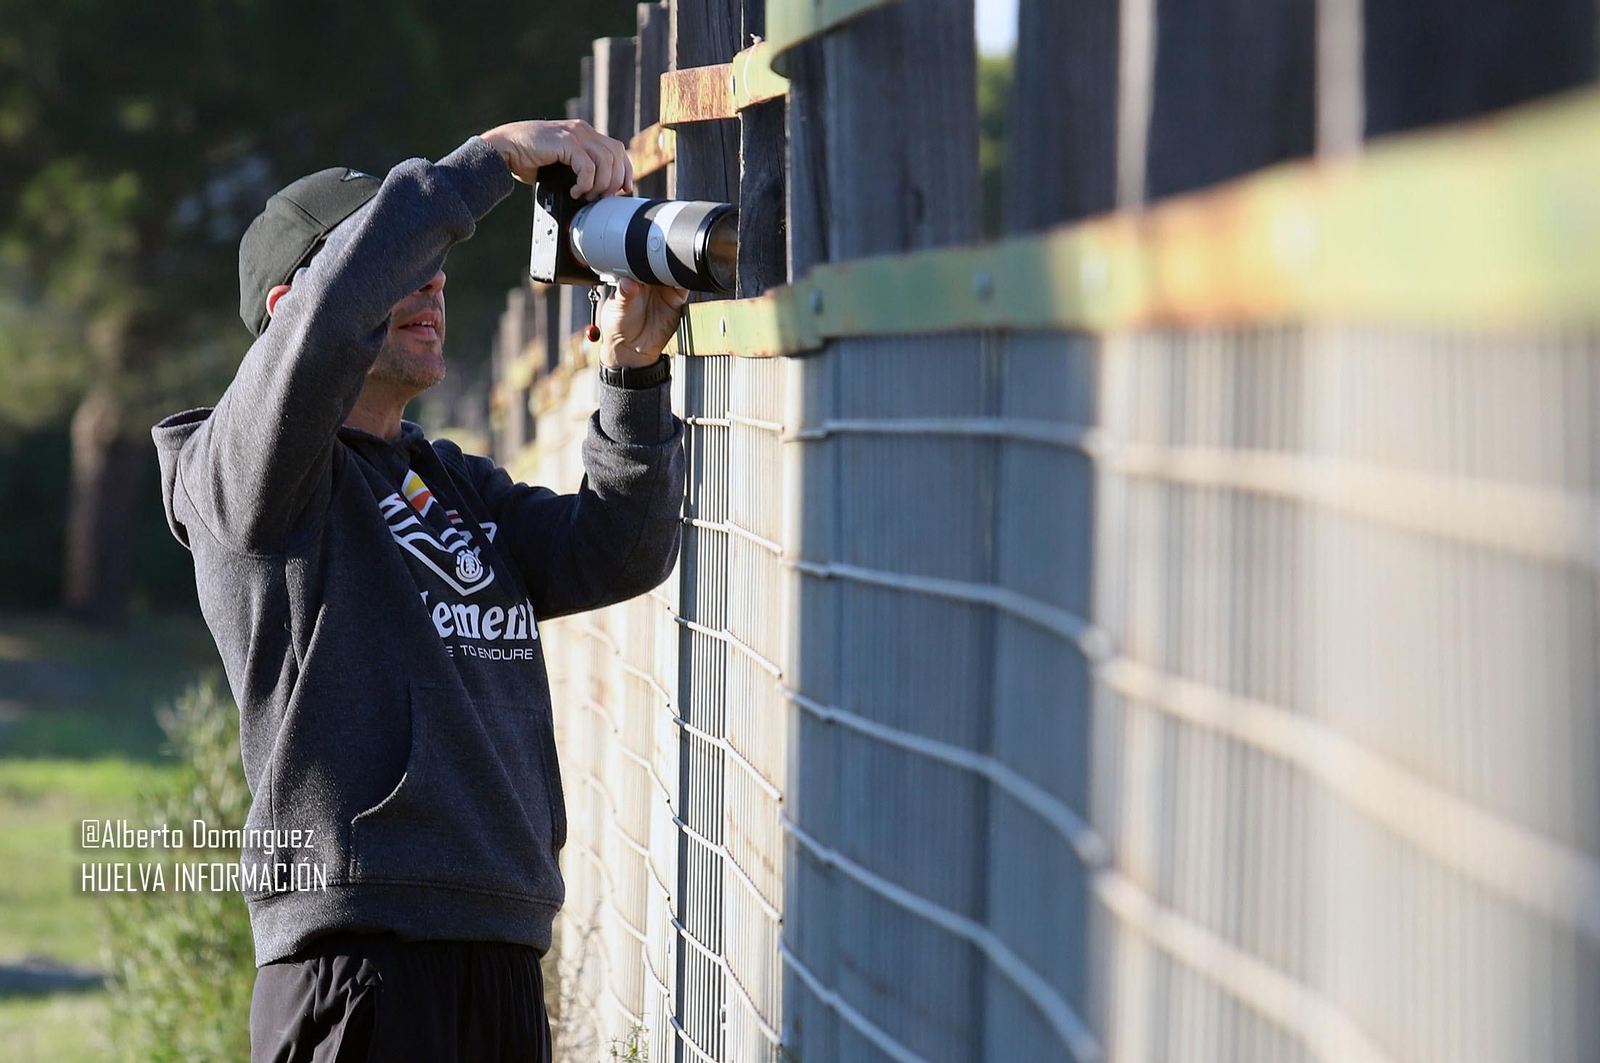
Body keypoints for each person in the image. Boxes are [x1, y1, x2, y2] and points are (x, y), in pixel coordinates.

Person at [151, 119, 689, 1061]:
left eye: (433, 265)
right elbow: (328, 318)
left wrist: (631, 374)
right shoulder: (242, 478)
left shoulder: (446, 481)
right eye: (399, 260)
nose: (434, 276)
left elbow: (616, 551)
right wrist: (485, 164)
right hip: (363, 954)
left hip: (500, 944)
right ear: (291, 311)